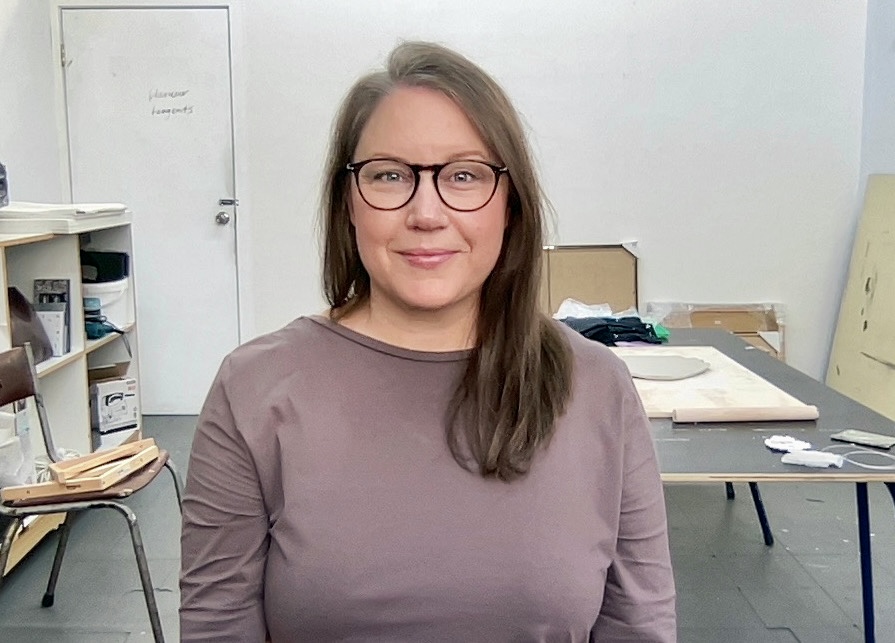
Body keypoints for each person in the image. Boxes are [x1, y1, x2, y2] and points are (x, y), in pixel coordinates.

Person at [180, 41, 676, 642]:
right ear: (349, 205)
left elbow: (638, 625)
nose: (426, 211)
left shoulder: (597, 387)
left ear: (510, 205)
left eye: (463, 176)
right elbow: (218, 626)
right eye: (390, 176)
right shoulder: (254, 388)